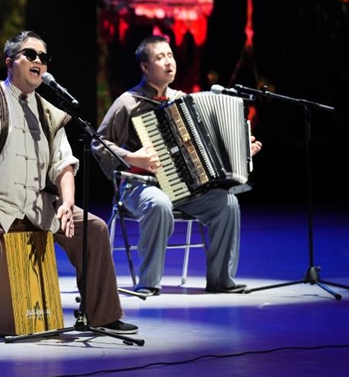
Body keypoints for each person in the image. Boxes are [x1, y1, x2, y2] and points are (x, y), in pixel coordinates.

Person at [0, 30, 137, 345]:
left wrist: (67, 203)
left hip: (34, 204)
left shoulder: (49, 112)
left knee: (94, 228)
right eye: (30, 55)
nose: (38, 62)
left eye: (43, 58)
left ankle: (103, 315)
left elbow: (64, 164)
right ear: (10, 63)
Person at [91, 34, 263, 296]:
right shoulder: (128, 102)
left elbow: (209, 147)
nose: (168, 62)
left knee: (227, 203)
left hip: (184, 189)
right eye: (160, 57)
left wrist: (240, 153)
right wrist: (134, 157)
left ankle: (220, 279)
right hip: (140, 187)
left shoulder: (183, 101)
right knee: (158, 203)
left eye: (170, 55)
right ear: (145, 67)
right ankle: (148, 282)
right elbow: (98, 142)